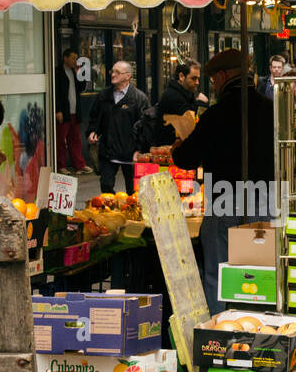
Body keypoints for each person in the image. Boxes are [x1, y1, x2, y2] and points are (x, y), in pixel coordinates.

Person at [172, 48, 275, 313]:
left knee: (219, 278)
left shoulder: (214, 116)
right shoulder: (270, 110)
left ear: (222, 76)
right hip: (264, 201)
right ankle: (258, 327)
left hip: (224, 203)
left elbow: (185, 159)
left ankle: (219, 336)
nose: (214, 86)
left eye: (215, 80)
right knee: (259, 277)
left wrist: (178, 145)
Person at [89, 60, 149, 193]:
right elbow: (94, 117)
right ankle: (112, 212)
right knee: (106, 186)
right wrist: (92, 131)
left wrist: (140, 149)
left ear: (128, 76)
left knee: (133, 191)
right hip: (108, 151)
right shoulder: (103, 96)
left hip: (130, 153)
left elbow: (146, 127)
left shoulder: (139, 98)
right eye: (112, 71)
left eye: (117, 72)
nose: (113, 75)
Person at [54, 48, 92, 174]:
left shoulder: (73, 71)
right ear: (65, 58)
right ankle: (61, 166)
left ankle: (79, 165)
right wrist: (57, 109)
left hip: (75, 111)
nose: (74, 61)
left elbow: (81, 89)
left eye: (76, 58)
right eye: (72, 58)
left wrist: (79, 74)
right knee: (61, 141)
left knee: (75, 139)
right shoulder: (58, 72)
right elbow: (56, 93)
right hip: (64, 112)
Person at [156, 59, 205, 147]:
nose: (197, 83)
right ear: (181, 76)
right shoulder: (173, 96)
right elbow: (189, 123)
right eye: (193, 78)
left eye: (198, 79)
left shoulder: (185, 94)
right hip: (170, 149)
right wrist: (201, 103)